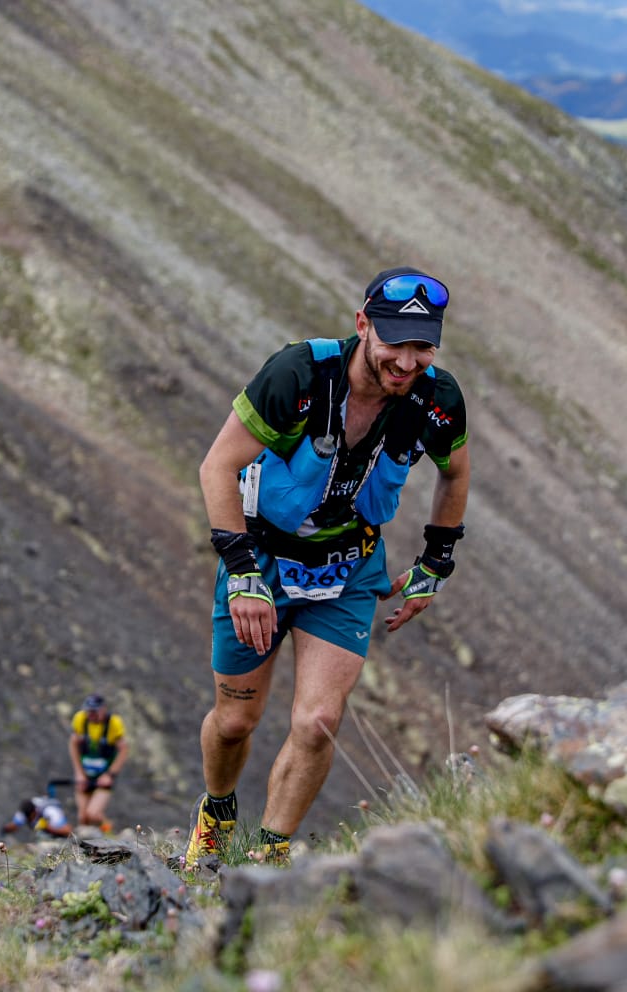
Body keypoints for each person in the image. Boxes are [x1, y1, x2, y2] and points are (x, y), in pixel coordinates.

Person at [183, 267, 470, 867]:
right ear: (363, 325)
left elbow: (455, 472)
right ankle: (217, 810)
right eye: (395, 341)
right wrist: (242, 574)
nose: (407, 360)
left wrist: (435, 562)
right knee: (236, 721)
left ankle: (270, 857)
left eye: (422, 347)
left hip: (346, 568)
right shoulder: (299, 374)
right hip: (260, 559)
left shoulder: (437, 400)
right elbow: (217, 467)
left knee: (318, 720)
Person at [68, 693, 127, 831]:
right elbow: (73, 742)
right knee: (83, 817)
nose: (91, 715)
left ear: (103, 709)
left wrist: (110, 775)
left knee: (93, 814)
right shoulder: (80, 720)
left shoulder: (113, 723)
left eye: (94, 711)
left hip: (103, 776)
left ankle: (110, 832)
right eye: (89, 711)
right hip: (85, 775)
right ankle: (86, 849)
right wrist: (78, 773)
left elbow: (124, 749)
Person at [1, 795, 72, 838]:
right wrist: (5, 830)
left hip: (52, 825)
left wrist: (48, 828)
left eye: (32, 817)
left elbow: (68, 831)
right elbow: (14, 825)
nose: (31, 820)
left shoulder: (50, 811)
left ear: (35, 811)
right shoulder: (25, 811)